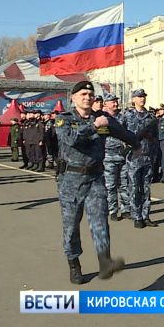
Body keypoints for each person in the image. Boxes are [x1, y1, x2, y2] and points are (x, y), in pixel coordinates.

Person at [54, 81, 140, 284]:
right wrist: (94, 126)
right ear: (73, 98)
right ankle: (74, 262)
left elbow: (122, 132)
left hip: (95, 177)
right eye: (83, 93)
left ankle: (105, 261)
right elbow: (72, 140)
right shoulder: (63, 119)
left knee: (100, 220)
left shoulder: (102, 119)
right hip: (71, 179)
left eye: (91, 94)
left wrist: (136, 144)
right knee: (71, 225)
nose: (88, 97)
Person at [121, 89, 159, 229]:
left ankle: (145, 215)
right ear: (134, 99)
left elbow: (155, 138)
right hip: (133, 156)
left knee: (146, 187)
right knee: (134, 186)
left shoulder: (150, 117)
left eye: (143, 97)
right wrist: (126, 146)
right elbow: (120, 133)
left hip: (147, 156)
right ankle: (136, 216)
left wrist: (154, 154)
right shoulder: (127, 115)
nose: (142, 99)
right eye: (139, 97)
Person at [102, 94, 130, 221]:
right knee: (110, 185)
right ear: (106, 104)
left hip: (122, 155)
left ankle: (126, 209)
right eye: (112, 102)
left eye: (116, 102)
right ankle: (112, 210)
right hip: (108, 155)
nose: (115, 104)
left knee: (124, 184)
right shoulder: (102, 118)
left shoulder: (123, 117)